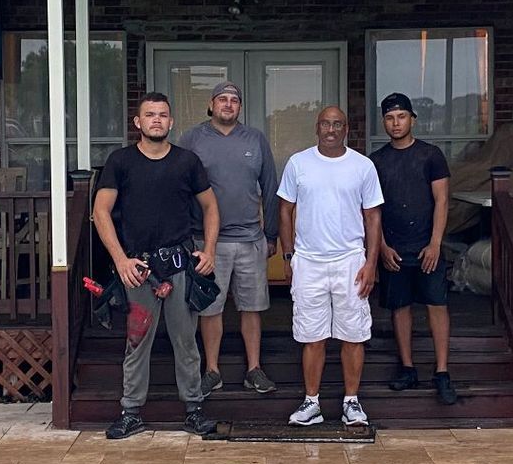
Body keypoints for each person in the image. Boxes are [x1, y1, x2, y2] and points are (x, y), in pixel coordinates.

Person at [92, 92, 219, 440]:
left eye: (163, 114)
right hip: (138, 270)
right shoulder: (120, 162)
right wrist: (119, 259)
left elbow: (210, 207)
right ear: (138, 122)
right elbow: (100, 212)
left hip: (179, 265)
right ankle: (131, 412)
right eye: (150, 115)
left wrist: (208, 250)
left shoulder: (187, 162)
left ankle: (194, 410)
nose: (157, 120)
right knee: (137, 342)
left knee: (186, 342)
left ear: (171, 121)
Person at [276, 105, 382, 427]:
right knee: (312, 335)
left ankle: (351, 402)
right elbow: (285, 212)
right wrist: (288, 256)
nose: (331, 129)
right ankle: (312, 403)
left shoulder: (362, 166)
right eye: (325, 124)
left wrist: (371, 263)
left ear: (346, 128)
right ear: (317, 127)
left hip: (350, 260)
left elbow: (373, 217)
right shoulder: (299, 163)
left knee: (353, 335)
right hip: (308, 261)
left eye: (337, 124)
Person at [177, 81, 280, 395]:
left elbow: (271, 188)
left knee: (252, 307)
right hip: (207, 242)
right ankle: (212, 370)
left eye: (234, 100)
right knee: (210, 308)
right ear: (211, 105)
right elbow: (179, 188)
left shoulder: (255, 139)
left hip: (250, 237)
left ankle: (254, 369)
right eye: (222, 99)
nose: (228, 104)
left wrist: (271, 234)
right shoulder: (192, 139)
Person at [370, 92, 459, 406]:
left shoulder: (431, 155)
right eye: (390, 118)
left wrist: (435, 243)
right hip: (393, 247)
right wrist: (381, 246)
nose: (396, 123)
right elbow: (371, 209)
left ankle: (442, 372)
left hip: (427, 246)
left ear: (412, 119)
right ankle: (407, 367)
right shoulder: (377, 161)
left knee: (437, 304)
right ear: (384, 122)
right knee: (400, 307)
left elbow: (442, 201)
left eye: (402, 117)